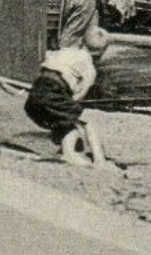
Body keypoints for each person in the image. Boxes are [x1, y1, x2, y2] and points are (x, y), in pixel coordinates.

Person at [25, 28, 112, 167]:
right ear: (102, 52)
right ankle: (94, 159)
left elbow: (47, 61)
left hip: (36, 92)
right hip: (54, 90)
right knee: (82, 120)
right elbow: (78, 97)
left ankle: (64, 149)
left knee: (63, 118)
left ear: (82, 42)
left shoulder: (66, 51)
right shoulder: (90, 69)